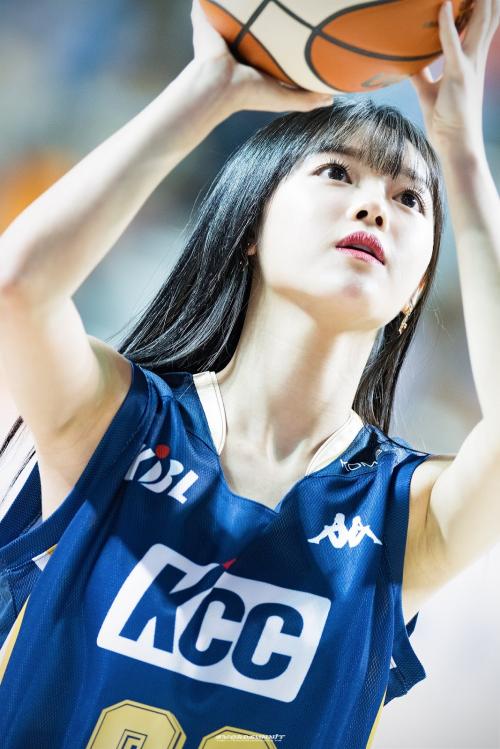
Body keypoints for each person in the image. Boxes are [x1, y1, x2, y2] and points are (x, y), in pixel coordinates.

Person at [0, 0, 498, 746]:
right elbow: (18, 286)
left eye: (408, 199)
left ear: (414, 292)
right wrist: (206, 92)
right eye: (337, 171)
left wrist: (460, 152)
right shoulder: (118, 423)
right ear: (251, 229)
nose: (375, 206)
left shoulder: (408, 516)